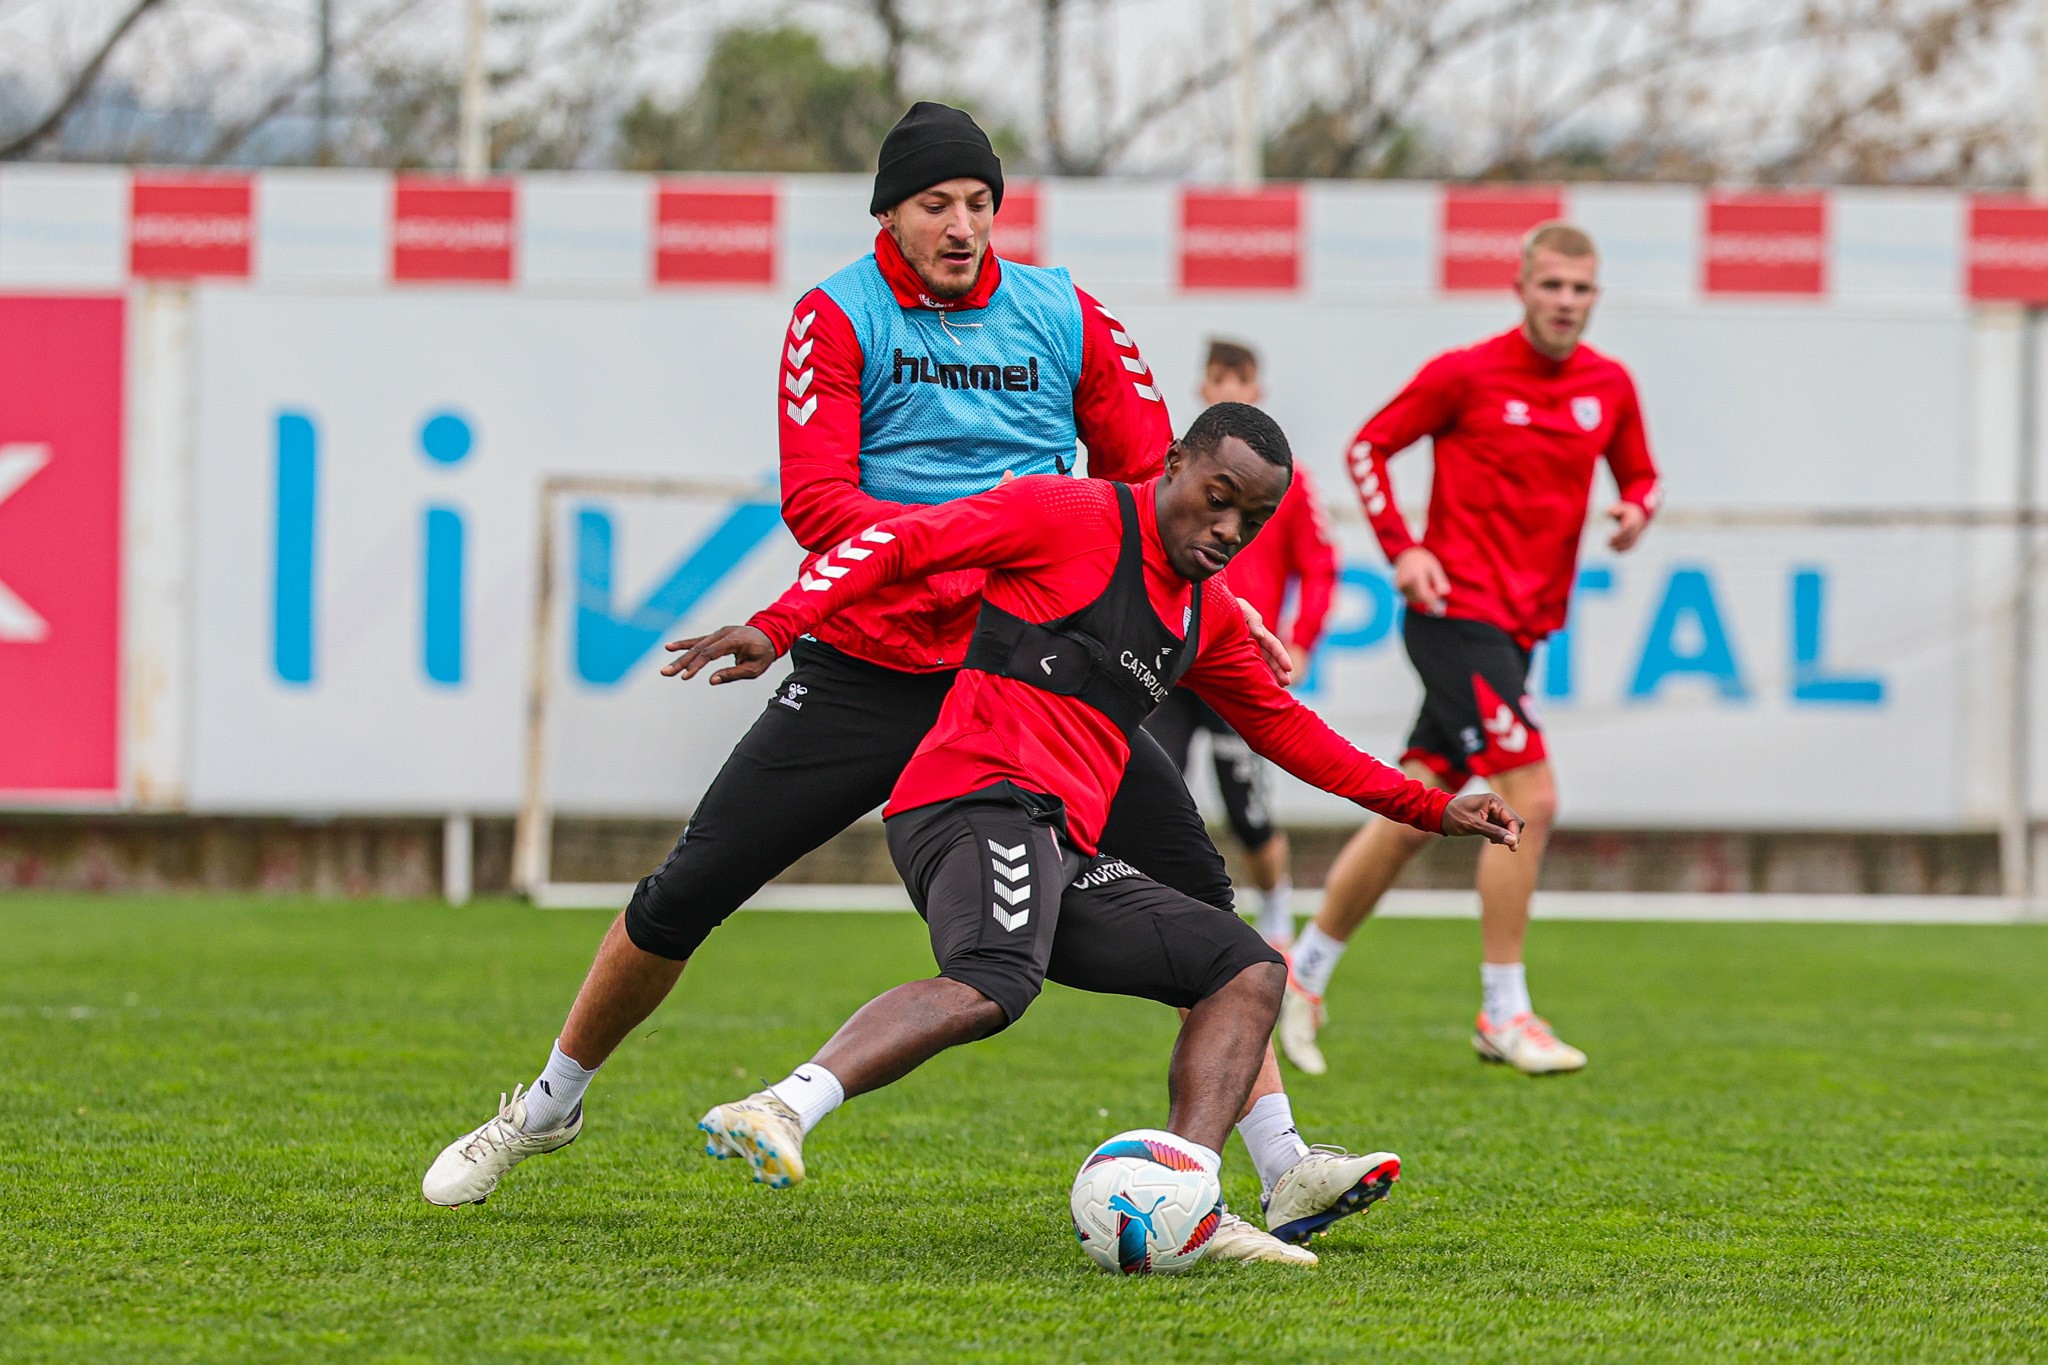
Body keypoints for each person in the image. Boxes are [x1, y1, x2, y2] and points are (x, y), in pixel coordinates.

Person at [423, 103, 1394, 1263]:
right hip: (874, 666)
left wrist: (1215, 605)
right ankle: (545, 1105)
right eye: (937, 202)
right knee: (689, 889)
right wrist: (986, 539)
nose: (962, 224)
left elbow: (1159, 484)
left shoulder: (1066, 313)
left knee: (1209, 912)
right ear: (888, 209)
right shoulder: (836, 315)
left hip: (1032, 679)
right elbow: (820, 505)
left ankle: (1280, 1164)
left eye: (980, 203)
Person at [667, 404, 1521, 1235]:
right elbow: (901, 542)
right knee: (995, 979)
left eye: (1251, 519)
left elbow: (1290, 731)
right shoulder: (1061, 512)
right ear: (1173, 461)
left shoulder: (1206, 614)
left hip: (1063, 842)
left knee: (1247, 967)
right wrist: (780, 626)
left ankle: (1187, 1198)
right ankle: (779, 1104)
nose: (1229, 528)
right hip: (971, 799)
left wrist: (1435, 806)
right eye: (1218, 497)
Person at [1276, 222, 1661, 1078]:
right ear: (1522, 288)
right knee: (1533, 794)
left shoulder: (1611, 386)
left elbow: (1641, 474)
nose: (1566, 302)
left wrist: (1637, 511)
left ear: (1595, 297)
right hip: (1454, 616)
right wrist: (1403, 547)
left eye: (1581, 289)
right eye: (1552, 285)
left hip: (1520, 631)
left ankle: (1301, 979)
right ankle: (1503, 1011)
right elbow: (1368, 446)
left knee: (1419, 810)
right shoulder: (1467, 373)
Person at [1144, 340, 1337, 950]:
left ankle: (1277, 920)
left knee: (1250, 815)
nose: (1229, 387)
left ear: (1259, 391)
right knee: (1153, 795)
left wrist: (1300, 639)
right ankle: (1163, 924)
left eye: (1241, 379)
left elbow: (1321, 567)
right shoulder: (1179, 473)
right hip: (1172, 661)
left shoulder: (1290, 485)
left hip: (1236, 668)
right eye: (1218, 378)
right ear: (1203, 388)